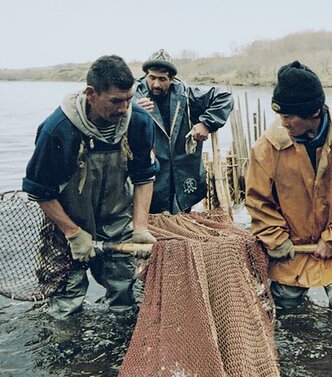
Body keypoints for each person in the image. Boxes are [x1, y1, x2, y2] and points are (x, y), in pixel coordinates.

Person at [23, 55, 159, 318]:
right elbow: (40, 191)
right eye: (115, 101)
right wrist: (73, 233)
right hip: (66, 223)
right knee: (65, 300)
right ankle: (66, 354)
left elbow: (144, 178)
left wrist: (140, 228)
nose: (124, 108)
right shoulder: (58, 129)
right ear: (91, 94)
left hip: (117, 221)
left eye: (129, 99)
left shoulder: (139, 122)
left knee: (124, 297)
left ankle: (120, 353)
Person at [245, 61, 332, 323]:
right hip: (293, 245)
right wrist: (276, 239)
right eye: (280, 115)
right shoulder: (267, 146)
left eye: (288, 116)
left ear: (314, 112)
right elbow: (258, 201)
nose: (282, 122)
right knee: (280, 308)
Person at [134, 49, 234, 214]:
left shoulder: (187, 95)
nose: (156, 84)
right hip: (150, 178)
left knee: (182, 222)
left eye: (162, 79)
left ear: (172, 79)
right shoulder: (132, 96)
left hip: (183, 175)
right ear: (146, 75)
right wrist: (133, 111)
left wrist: (206, 123)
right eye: (151, 78)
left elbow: (224, 97)